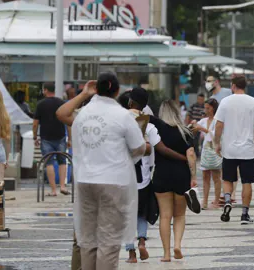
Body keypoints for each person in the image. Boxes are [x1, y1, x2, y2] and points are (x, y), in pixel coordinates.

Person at [56, 73, 147, 270]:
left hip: (85, 182)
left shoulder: (84, 115)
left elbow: (61, 113)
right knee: (108, 240)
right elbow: (139, 147)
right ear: (117, 91)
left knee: (87, 240)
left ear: (96, 89)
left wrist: (82, 95)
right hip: (112, 183)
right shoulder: (123, 116)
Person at [214, 75, 254, 225]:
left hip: (229, 149)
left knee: (227, 179)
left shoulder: (225, 102)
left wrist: (216, 143)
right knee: (247, 182)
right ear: (245, 86)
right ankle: (244, 214)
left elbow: (218, 125)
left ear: (232, 86)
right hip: (247, 151)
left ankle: (227, 201)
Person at [116, 89, 160, 264]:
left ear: (130, 102)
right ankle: (142, 240)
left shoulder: (120, 121)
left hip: (123, 178)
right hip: (144, 178)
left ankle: (131, 254)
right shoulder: (149, 125)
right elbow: (155, 149)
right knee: (141, 214)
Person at [153, 99, 198, 262]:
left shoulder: (156, 130)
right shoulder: (185, 132)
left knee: (165, 216)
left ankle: (166, 254)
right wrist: (193, 177)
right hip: (181, 175)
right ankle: (177, 245)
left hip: (161, 175)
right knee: (179, 215)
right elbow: (191, 154)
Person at [33, 83, 70, 197]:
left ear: (45, 90)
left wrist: (35, 137)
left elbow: (35, 124)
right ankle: (63, 187)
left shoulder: (40, 104)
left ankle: (54, 190)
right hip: (60, 137)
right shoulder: (61, 103)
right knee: (62, 162)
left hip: (46, 138)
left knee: (48, 163)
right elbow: (68, 122)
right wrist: (70, 138)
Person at [191, 98, 222, 209]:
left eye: (208, 108)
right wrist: (194, 125)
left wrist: (203, 129)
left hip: (214, 149)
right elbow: (195, 128)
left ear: (213, 108)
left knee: (216, 176)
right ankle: (205, 201)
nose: (206, 110)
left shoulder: (218, 121)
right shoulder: (204, 121)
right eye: (205, 107)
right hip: (206, 149)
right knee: (205, 176)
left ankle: (217, 201)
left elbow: (216, 134)